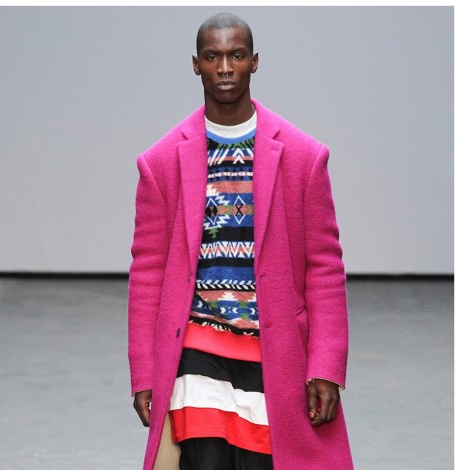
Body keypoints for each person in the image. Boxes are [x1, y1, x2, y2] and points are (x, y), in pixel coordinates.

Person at [128, 12, 353, 470]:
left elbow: (324, 267)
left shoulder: (303, 157)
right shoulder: (161, 162)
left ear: (255, 62)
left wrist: (326, 366)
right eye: (213, 57)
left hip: (273, 351)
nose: (225, 68)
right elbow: (147, 271)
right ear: (196, 65)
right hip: (197, 348)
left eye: (236, 55)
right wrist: (144, 372)